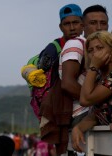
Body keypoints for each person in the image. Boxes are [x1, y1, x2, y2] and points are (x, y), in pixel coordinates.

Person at [37, 3, 84, 155]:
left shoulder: (88, 44)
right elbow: (42, 66)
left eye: (75, 23)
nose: (72, 28)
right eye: (67, 24)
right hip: (61, 105)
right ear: (60, 27)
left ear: (82, 24)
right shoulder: (54, 47)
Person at [71, 31, 112, 153]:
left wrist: (93, 67)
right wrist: (78, 128)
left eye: (99, 48)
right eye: (90, 50)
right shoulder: (99, 78)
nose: (94, 53)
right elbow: (96, 114)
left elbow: (85, 100)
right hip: (107, 144)